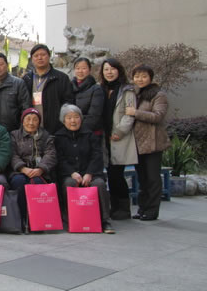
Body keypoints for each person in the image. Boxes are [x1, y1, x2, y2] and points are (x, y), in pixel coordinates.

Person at [54, 104, 115, 234]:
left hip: (90, 173)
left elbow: (97, 155)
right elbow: (60, 159)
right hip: (70, 174)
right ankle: (71, 219)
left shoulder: (89, 134)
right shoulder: (59, 137)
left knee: (99, 184)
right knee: (69, 184)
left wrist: (89, 173)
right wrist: (72, 173)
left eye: (76, 117)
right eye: (69, 118)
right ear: (63, 120)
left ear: (81, 119)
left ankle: (105, 220)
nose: (73, 121)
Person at [126, 64, 170, 221]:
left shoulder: (158, 95)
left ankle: (152, 211)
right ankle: (142, 209)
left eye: (144, 76)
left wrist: (135, 113)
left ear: (150, 78)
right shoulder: (134, 94)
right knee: (142, 178)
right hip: (138, 143)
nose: (140, 79)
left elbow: (158, 116)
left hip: (153, 143)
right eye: (137, 76)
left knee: (152, 178)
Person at [99, 58, 137, 220]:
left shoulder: (127, 90)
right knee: (111, 173)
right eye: (106, 69)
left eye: (112, 69)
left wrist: (120, 131)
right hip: (104, 137)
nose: (109, 72)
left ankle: (123, 208)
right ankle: (114, 207)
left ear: (119, 71)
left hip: (118, 137)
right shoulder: (100, 89)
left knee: (116, 174)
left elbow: (130, 114)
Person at [9, 108, 57, 232]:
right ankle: (21, 218)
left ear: (39, 122)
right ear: (22, 121)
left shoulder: (46, 136)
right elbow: (12, 154)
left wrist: (41, 169)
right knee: (18, 182)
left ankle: (37, 220)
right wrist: (22, 168)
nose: (31, 123)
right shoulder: (14, 135)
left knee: (38, 183)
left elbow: (50, 155)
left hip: (39, 172)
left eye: (35, 120)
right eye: (28, 119)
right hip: (20, 170)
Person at [23, 44, 74, 134]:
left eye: (43, 55)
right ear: (32, 59)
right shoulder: (26, 79)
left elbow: (68, 102)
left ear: (49, 56)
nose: (40, 58)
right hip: (32, 126)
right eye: (36, 56)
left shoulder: (61, 78)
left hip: (55, 127)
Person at [0, 52, 30, 132]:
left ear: (7, 65)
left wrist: (22, 129)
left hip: (13, 131)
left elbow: (26, 107)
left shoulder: (18, 83)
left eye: (1, 64)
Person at [71, 57, 104, 133]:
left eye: (84, 68)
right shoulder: (69, 86)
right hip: (71, 130)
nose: (80, 71)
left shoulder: (96, 89)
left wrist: (78, 130)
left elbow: (94, 116)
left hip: (90, 132)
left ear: (89, 70)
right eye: (77, 68)